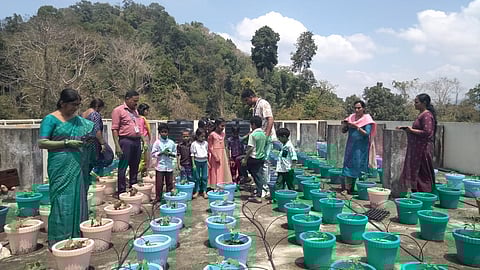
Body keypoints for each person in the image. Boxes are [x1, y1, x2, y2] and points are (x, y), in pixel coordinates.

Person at [38, 88, 96, 247]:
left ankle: (77, 235)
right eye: (72, 105)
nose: (75, 108)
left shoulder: (78, 120)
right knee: (61, 200)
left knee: (78, 197)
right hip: (60, 164)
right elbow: (42, 142)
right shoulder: (50, 119)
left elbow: (91, 132)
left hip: (78, 163)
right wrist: (65, 143)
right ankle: (59, 239)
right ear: (62, 103)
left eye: (78, 105)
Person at [397, 93, 437, 194]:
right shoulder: (421, 115)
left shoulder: (427, 115)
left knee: (423, 172)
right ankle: (416, 193)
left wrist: (411, 130)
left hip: (423, 149)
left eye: (416, 102)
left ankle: (424, 194)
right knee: (416, 172)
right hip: (417, 149)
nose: (414, 104)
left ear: (424, 103)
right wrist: (406, 129)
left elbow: (427, 132)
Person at [241, 89, 276, 195]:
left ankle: (265, 189)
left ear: (251, 96)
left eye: (247, 100)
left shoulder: (263, 104)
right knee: (259, 163)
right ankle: (260, 185)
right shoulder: (255, 107)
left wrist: (266, 135)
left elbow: (270, 119)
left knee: (264, 162)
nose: (247, 103)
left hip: (266, 138)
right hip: (260, 137)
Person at [341, 100, 377, 194]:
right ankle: (348, 188)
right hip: (351, 146)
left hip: (361, 148)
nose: (357, 110)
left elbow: (367, 133)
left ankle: (362, 190)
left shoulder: (367, 119)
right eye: (355, 108)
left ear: (363, 108)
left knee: (359, 165)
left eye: (359, 108)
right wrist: (346, 125)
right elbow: (344, 131)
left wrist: (356, 127)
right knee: (348, 164)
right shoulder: (351, 117)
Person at [111, 90, 141, 196]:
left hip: (137, 141)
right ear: (127, 99)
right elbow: (114, 129)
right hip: (125, 141)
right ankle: (122, 191)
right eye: (134, 101)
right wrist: (117, 146)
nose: (136, 103)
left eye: (137, 101)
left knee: (135, 165)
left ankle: (133, 187)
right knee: (123, 166)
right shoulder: (118, 110)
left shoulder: (135, 111)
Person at [82, 98, 111, 176]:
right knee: (105, 158)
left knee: (87, 163)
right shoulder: (95, 114)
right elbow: (96, 129)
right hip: (93, 141)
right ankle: (97, 177)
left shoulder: (84, 114)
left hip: (84, 141)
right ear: (98, 106)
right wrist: (102, 143)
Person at [242, 116, 268, 203]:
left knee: (240, 161)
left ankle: (246, 177)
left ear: (253, 124)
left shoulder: (253, 135)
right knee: (258, 175)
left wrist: (245, 159)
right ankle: (258, 193)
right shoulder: (263, 134)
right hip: (261, 157)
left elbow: (250, 148)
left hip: (253, 157)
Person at [151, 123, 177, 203]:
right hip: (160, 166)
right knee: (159, 183)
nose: (164, 134)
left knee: (169, 183)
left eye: (165, 132)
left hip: (169, 166)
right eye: (162, 132)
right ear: (159, 133)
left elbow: (175, 154)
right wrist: (161, 153)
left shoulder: (171, 143)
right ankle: (158, 198)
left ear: (168, 132)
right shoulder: (157, 143)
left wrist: (169, 154)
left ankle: (169, 197)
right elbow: (153, 154)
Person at [208, 118, 233, 188]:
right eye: (221, 126)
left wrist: (228, 157)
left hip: (223, 154)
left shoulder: (223, 134)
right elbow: (210, 147)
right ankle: (215, 185)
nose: (223, 128)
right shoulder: (212, 134)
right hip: (215, 154)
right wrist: (215, 156)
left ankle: (223, 184)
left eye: (224, 126)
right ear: (216, 125)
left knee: (223, 170)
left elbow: (225, 146)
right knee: (216, 170)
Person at [274, 127, 297, 192]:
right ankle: (277, 197)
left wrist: (292, 168)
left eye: (279, 138)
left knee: (290, 184)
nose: (279, 139)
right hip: (281, 169)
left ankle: (292, 197)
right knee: (278, 184)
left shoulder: (289, 146)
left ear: (284, 137)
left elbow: (294, 158)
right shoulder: (284, 145)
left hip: (288, 169)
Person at [191, 128, 209, 199]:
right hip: (197, 161)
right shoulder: (194, 144)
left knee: (204, 177)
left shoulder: (206, 143)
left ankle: (204, 191)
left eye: (204, 136)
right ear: (197, 136)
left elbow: (207, 152)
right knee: (197, 177)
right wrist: (193, 164)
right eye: (202, 136)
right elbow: (192, 154)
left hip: (204, 162)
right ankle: (197, 191)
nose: (203, 138)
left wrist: (207, 162)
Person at [137, 103, 152, 176]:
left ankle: (144, 175)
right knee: (144, 160)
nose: (148, 112)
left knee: (146, 159)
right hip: (143, 140)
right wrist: (144, 141)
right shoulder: (141, 119)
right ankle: (132, 173)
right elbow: (141, 131)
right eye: (147, 110)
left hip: (146, 140)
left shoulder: (143, 118)